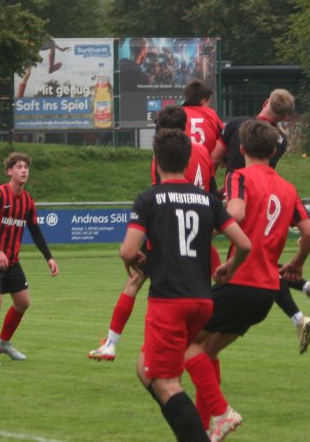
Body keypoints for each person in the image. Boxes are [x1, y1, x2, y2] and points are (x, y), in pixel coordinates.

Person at [121, 127, 251, 442]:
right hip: (203, 300)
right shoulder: (207, 200)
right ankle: (205, 419)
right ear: (189, 160)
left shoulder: (149, 198)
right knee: (146, 365)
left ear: (156, 161)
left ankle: (213, 419)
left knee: (163, 381)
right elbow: (244, 244)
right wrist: (229, 267)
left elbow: (127, 250)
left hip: (168, 300)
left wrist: (135, 257)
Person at [192, 119, 310, 433]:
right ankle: (207, 429)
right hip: (266, 293)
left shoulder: (239, 177)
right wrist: (298, 262)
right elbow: (309, 232)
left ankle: (220, 412)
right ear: (274, 151)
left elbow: (236, 213)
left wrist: (202, 232)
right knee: (208, 352)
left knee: (181, 342)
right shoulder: (288, 188)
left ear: (242, 148)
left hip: (239, 282)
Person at [88, 104, 219, 362]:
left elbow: (161, 198)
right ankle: (204, 350)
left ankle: (112, 344)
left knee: (137, 281)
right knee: (207, 289)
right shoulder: (204, 152)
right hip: (198, 231)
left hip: (169, 232)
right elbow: (212, 192)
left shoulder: (163, 157)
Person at [213, 88, 310, 353]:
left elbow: (213, 158)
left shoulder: (236, 129)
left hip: (244, 202)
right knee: (264, 261)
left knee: (187, 340)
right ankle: (303, 297)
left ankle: (302, 300)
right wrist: (298, 263)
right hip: (269, 200)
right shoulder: (281, 143)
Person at [0, 152, 59, 367]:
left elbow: (35, 230)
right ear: (9, 171)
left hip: (12, 260)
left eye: (26, 167)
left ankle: (3, 343)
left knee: (23, 302)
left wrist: (49, 258)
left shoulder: (27, 200)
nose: (23, 170)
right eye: (19, 167)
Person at [182, 80, 224, 156]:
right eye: (208, 102)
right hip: (205, 159)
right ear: (203, 101)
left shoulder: (177, 113)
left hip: (180, 160)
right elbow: (225, 136)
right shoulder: (211, 114)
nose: (209, 106)